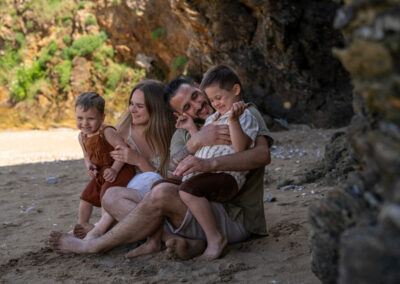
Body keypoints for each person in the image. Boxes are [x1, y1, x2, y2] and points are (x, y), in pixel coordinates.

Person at [49, 72, 272, 261]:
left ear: (200, 88)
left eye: (196, 96)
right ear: (180, 114)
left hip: (234, 216)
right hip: (187, 209)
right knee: (113, 196)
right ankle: (182, 241)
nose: (198, 105)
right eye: (187, 106)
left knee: (162, 192)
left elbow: (262, 155)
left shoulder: (241, 113)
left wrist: (209, 162)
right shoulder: (181, 135)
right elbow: (174, 170)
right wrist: (196, 141)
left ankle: (93, 245)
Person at [176, 64, 260, 260]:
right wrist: (191, 130)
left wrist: (233, 121)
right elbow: (206, 147)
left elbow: (241, 148)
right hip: (204, 172)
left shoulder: (246, 115)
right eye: (212, 99)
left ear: (236, 90)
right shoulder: (213, 117)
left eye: (219, 98)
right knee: (162, 185)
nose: (215, 103)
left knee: (187, 191)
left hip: (227, 175)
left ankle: (215, 238)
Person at [78, 80, 175, 241]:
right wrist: (94, 167)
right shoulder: (121, 132)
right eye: (131, 104)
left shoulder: (171, 133)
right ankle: (98, 229)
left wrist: (138, 160)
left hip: (156, 198)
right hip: (127, 202)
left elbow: (164, 182)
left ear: (155, 108)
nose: (132, 110)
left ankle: (99, 230)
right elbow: (101, 160)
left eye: (139, 106)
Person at [73, 92, 136, 238]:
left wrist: (114, 169)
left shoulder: (106, 132)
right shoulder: (81, 136)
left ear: (102, 117)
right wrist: (89, 165)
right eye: (80, 118)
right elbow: (86, 155)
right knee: (86, 196)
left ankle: (103, 228)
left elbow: (124, 150)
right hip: (101, 172)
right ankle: (82, 225)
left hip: (120, 170)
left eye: (91, 119)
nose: (85, 123)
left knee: (106, 195)